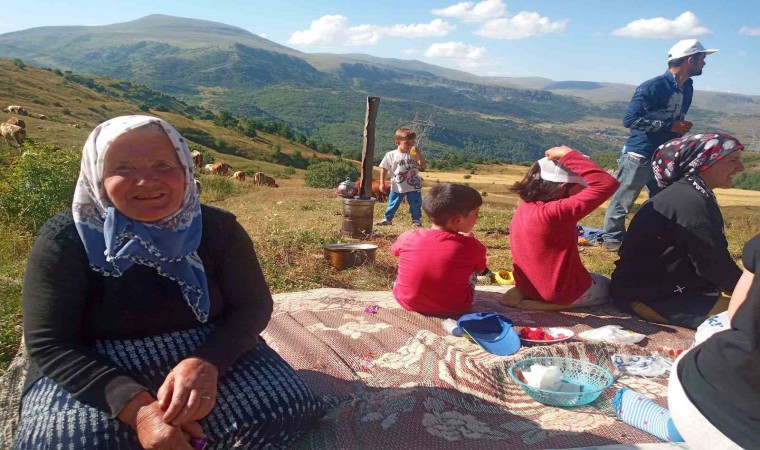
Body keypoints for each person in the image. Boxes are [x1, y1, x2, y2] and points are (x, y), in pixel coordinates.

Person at [14, 116, 324, 449]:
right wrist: (139, 411)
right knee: (73, 443)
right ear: (97, 175)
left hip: (204, 347)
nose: (147, 181)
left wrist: (207, 363)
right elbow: (50, 342)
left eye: (163, 165)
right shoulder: (67, 239)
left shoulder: (218, 229)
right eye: (124, 168)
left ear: (186, 169)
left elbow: (252, 306)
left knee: (283, 410)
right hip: (94, 362)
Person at [613, 232, 760, 449]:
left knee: (717, 322)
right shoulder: (695, 215)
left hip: (694, 380)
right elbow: (714, 265)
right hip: (729, 415)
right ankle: (685, 429)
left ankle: (679, 427)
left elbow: (736, 313)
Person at [610, 133, 744, 329]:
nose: (740, 168)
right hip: (655, 298)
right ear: (703, 162)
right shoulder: (690, 202)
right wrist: (750, 290)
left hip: (662, 290)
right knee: (752, 319)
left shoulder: (689, 194)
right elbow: (714, 265)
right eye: (733, 160)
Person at [602, 39, 718, 252]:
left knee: (663, 200)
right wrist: (670, 126)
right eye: (702, 58)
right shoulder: (652, 86)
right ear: (689, 60)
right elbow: (630, 120)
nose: (704, 63)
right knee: (624, 198)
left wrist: (678, 128)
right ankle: (612, 238)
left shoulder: (687, 87)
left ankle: (655, 236)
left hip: (666, 155)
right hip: (641, 153)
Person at [501, 146, 619, 310]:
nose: (585, 190)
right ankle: (555, 304)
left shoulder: (526, 205)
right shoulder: (556, 213)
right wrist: (569, 156)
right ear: (564, 186)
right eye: (582, 186)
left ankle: (524, 292)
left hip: (528, 283)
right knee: (607, 286)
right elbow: (607, 183)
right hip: (558, 291)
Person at [391, 183, 487, 315]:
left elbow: (394, 251)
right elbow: (480, 269)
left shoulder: (407, 236)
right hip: (456, 307)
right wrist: (469, 240)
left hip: (407, 301)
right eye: (476, 214)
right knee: (470, 268)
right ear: (457, 221)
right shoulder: (473, 246)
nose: (477, 218)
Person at [376, 127, 427, 227]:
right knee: (393, 202)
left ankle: (416, 219)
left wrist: (419, 153)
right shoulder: (390, 155)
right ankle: (387, 219)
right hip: (397, 184)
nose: (410, 145)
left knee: (415, 203)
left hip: (413, 185)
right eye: (407, 142)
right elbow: (384, 169)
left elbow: (423, 165)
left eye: (412, 142)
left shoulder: (414, 154)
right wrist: (382, 183)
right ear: (397, 142)